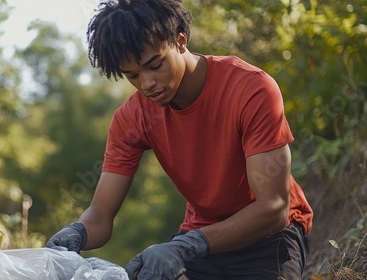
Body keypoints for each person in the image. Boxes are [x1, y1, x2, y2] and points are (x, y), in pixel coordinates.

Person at [45, 0, 313, 279]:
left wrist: (186, 245)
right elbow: (100, 216)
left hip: (268, 237)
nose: (146, 83)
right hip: (198, 242)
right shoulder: (131, 119)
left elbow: (274, 208)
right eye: (132, 75)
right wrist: (75, 233)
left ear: (181, 41)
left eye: (155, 65)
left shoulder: (250, 88)